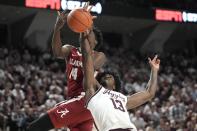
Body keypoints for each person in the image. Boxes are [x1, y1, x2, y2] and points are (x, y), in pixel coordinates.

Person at [27, 2, 106, 131]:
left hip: (85, 100)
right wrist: (57, 27)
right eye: (86, 29)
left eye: (90, 32)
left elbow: (91, 64)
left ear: (95, 42)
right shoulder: (71, 50)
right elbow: (57, 52)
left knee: (34, 128)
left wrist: (87, 24)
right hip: (77, 102)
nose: (87, 31)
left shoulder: (99, 55)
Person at [81, 32, 160, 131]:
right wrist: (83, 38)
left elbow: (149, 93)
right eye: (104, 76)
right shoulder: (93, 92)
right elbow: (87, 58)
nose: (107, 75)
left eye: (110, 76)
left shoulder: (123, 99)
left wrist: (154, 71)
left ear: (114, 86)